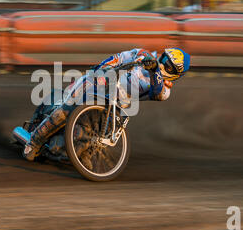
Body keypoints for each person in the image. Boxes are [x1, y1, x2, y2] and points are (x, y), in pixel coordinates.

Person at [23, 47, 191, 161]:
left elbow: (156, 91)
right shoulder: (144, 55)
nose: (163, 63)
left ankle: (78, 153)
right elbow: (118, 58)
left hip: (113, 106)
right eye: (163, 58)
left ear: (176, 74)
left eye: (168, 65)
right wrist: (101, 69)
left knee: (92, 139)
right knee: (66, 110)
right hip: (100, 83)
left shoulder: (164, 91)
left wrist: (155, 71)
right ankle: (34, 142)